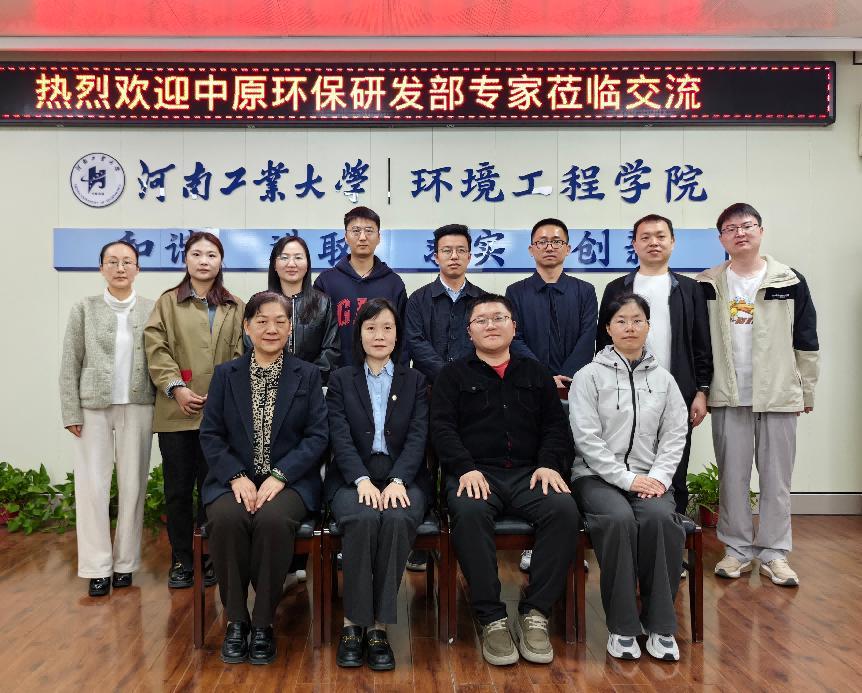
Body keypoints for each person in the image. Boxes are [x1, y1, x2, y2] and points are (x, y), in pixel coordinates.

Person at [431, 294, 579, 666]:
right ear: (469, 332)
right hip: (475, 473)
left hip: (531, 473)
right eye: (481, 320)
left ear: (514, 326)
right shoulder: (452, 375)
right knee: (468, 512)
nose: (491, 325)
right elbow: (442, 429)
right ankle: (492, 618)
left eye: (498, 318)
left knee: (563, 510)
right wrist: (464, 467)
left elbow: (556, 427)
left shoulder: (536, 373)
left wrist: (549, 464)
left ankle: (536, 612)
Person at [199, 291, 329, 665]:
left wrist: (280, 475)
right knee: (227, 518)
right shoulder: (226, 375)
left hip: (289, 481)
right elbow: (211, 434)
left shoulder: (307, 374)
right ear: (247, 326)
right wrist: (235, 476)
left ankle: (263, 622)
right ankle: (236, 620)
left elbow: (317, 436)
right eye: (262, 321)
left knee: (272, 520)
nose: (271, 329)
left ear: (290, 328)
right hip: (233, 480)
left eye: (280, 322)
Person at [697, 202, 819, 587]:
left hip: (779, 392)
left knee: (777, 480)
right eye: (731, 228)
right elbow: (699, 342)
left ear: (761, 231)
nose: (740, 233)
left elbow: (806, 339)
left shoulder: (789, 280)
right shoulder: (707, 283)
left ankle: (774, 553)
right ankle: (736, 551)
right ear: (721, 238)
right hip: (728, 394)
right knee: (732, 478)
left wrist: (806, 389)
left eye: (747, 226)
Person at [569, 293, 689, 662]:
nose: (630, 327)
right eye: (621, 321)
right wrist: (625, 479)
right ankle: (622, 627)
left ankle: (660, 625)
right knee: (618, 520)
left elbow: (675, 433)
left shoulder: (664, 380)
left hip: (650, 478)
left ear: (648, 326)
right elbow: (586, 438)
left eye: (637, 320)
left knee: (661, 519)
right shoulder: (588, 377)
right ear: (608, 328)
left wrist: (659, 477)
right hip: (596, 477)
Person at [324, 298, 431, 671]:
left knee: (399, 519)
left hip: (404, 475)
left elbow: (418, 436)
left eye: (387, 327)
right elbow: (339, 436)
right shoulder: (341, 380)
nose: (379, 335)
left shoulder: (415, 380)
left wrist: (399, 478)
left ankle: (379, 627)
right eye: (370, 328)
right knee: (363, 518)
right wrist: (361, 479)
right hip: (352, 476)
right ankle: (353, 623)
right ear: (359, 334)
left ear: (398, 335)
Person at [144, 231, 245, 589]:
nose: (204, 261)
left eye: (212, 255)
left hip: (220, 415)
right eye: (197, 254)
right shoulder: (167, 302)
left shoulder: (235, 305)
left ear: (221, 261)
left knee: (214, 488)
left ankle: (210, 555)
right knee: (178, 489)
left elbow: (241, 353)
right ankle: (182, 559)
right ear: (185, 259)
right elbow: (156, 347)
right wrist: (177, 387)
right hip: (177, 412)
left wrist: (220, 395)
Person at [597, 214, 713, 516]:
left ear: (672, 242)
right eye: (645, 237)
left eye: (661, 236)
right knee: (622, 458)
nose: (653, 242)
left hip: (676, 392)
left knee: (675, 463)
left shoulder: (689, 288)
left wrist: (702, 391)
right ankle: (630, 524)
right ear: (634, 244)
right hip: (623, 392)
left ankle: (673, 528)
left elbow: (702, 343)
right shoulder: (617, 288)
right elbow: (602, 342)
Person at [59, 240, 155, 597]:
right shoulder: (84, 308)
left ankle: (125, 563)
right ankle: (97, 567)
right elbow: (70, 362)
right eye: (112, 262)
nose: (120, 268)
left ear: (137, 269)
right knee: (92, 488)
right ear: (101, 268)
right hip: (91, 408)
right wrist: (70, 410)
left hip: (138, 405)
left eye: (127, 261)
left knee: (134, 486)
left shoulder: (151, 309)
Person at [505, 217, 597, 573]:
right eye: (542, 241)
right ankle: (533, 543)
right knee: (536, 460)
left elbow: (589, 335)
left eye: (556, 241)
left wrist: (568, 376)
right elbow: (514, 338)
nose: (549, 246)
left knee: (572, 460)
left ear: (568, 248)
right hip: (530, 388)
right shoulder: (516, 292)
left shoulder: (584, 291)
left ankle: (573, 542)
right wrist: (545, 376)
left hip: (576, 389)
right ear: (531, 249)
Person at [404, 222, 485, 572]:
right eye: (446, 250)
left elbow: (487, 341)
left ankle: (461, 539)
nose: (454, 256)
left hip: (472, 395)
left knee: (463, 460)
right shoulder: (419, 299)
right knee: (424, 463)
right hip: (426, 392)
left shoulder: (482, 300)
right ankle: (422, 541)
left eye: (460, 250)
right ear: (435, 256)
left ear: (470, 255)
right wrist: (449, 375)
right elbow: (415, 342)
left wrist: (461, 379)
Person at [313, 206, 408, 367]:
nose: (362, 237)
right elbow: (316, 335)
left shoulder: (393, 283)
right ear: (345, 237)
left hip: (382, 374)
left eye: (369, 231)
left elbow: (403, 337)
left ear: (379, 237)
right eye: (356, 231)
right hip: (336, 374)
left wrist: (400, 374)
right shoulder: (326, 282)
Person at [266, 234, 340, 383]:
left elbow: (331, 351)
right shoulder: (261, 303)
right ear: (274, 265)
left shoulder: (324, 303)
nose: (291, 264)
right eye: (284, 257)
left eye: (298, 257)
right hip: (269, 386)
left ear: (307, 265)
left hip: (311, 387)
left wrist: (305, 379)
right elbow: (251, 347)